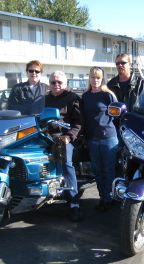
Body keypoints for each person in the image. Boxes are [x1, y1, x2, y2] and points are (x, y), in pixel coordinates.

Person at [44, 71, 84, 222]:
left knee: (66, 162)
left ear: (65, 83)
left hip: (64, 137)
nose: (56, 85)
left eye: (59, 82)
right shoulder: (45, 98)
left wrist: (69, 136)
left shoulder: (72, 98)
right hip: (46, 136)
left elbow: (79, 123)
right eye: (53, 82)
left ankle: (74, 204)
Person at [81, 67, 118, 212]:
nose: (95, 80)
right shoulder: (85, 96)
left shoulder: (108, 95)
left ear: (102, 79)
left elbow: (118, 116)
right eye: (92, 77)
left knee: (108, 170)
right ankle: (103, 197)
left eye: (98, 77)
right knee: (97, 171)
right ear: (89, 78)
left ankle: (109, 198)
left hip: (108, 138)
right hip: (92, 140)